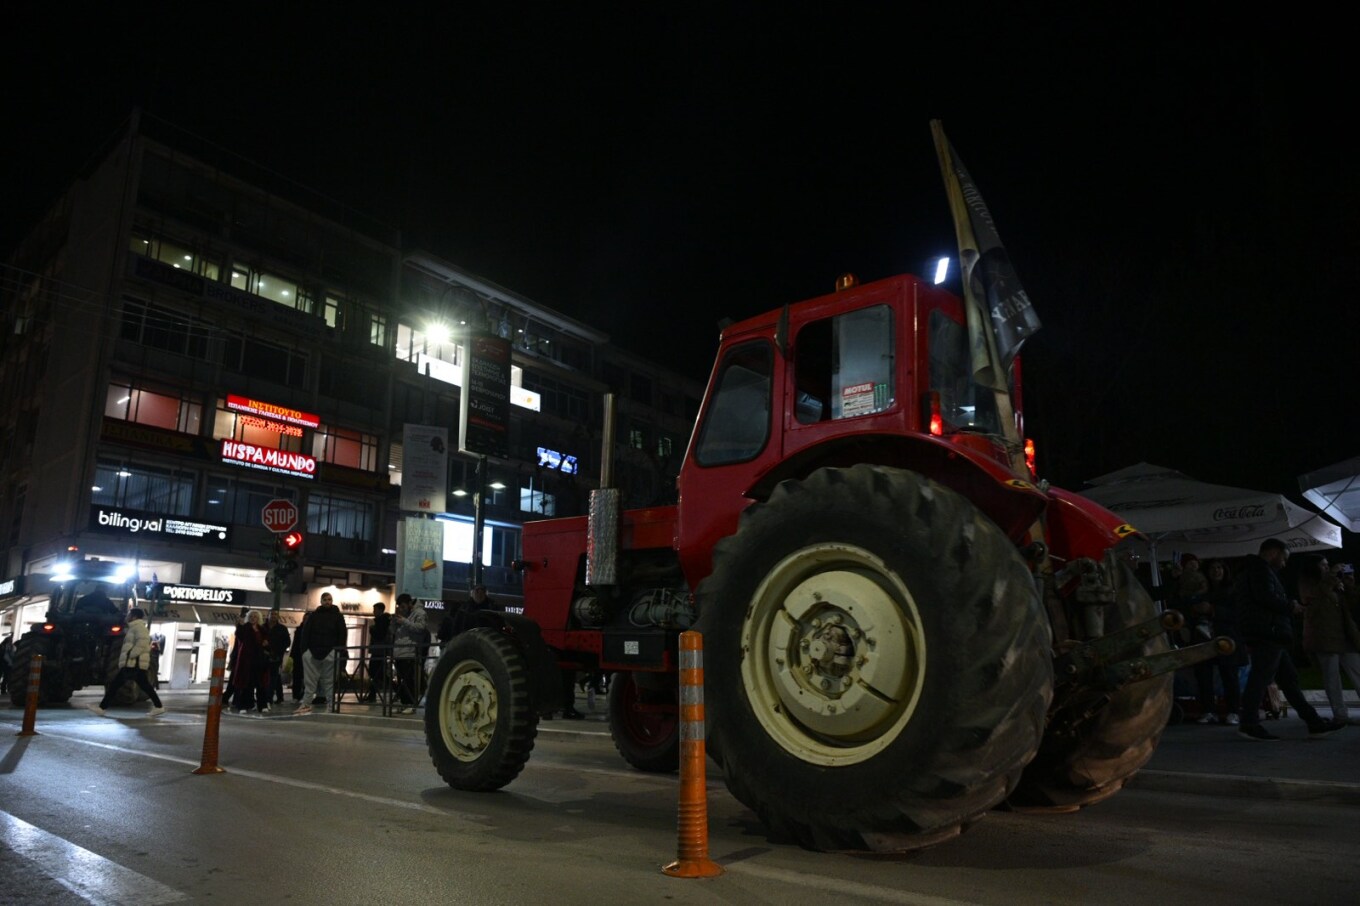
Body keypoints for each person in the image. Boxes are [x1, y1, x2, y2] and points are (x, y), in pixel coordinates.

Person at [1235, 538, 1345, 741]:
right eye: (1284, 558)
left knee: (1288, 680)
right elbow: (1265, 597)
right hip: (1268, 633)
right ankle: (1249, 724)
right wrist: (1290, 606)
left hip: (1270, 634)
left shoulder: (1255, 570)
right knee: (1260, 680)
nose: (1284, 563)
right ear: (1274, 552)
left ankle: (1313, 722)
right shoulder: (1260, 571)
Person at [1300, 556, 1360, 726]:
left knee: (1357, 670)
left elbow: (1350, 603)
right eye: (1323, 565)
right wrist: (1332, 576)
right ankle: (1340, 715)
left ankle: (1341, 715)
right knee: (1332, 677)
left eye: (1328, 565)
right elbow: (1315, 597)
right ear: (1314, 567)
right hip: (1324, 637)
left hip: (1344, 636)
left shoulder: (1332, 582)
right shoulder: (1309, 583)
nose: (1327, 567)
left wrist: (1349, 585)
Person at [1193, 559, 1245, 724]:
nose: (1216, 571)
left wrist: (1214, 610)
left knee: (1229, 674)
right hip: (1204, 636)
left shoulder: (1233, 590)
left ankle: (1233, 711)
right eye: (1213, 568)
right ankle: (1208, 710)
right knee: (1204, 675)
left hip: (1226, 637)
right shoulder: (1201, 590)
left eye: (1219, 568)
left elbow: (1238, 614)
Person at [87, 607, 165, 717]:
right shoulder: (134, 628)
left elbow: (142, 644)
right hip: (133, 664)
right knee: (141, 686)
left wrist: (130, 655)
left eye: (129, 614)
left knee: (116, 685)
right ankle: (159, 707)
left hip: (133, 664)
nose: (126, 616)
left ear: (134, 616)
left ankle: (102, 708)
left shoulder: (139, 628)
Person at [295, 592, 347, 716]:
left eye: (329, 599)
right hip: (314, 652)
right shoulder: (315, 616)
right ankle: (307, 704)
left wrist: (338, 650)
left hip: (328, 651)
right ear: (321, 601)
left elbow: (342, 634)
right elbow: (306, 633)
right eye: (325, 599)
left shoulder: (337, 616)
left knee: (327, 681)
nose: (327, 602)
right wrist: (305, 651)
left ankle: (329, 705)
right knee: (311, 681)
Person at [391, 593, 428, 714]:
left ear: (409, 604)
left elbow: (421, 628)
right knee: (401, 681)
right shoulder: (402, 615)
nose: (401, 609)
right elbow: (392, 632)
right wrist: (394, 623)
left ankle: (411, 705)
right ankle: (404, 703)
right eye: (399, 607)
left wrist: (405, 621)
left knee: (409, 680)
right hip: (399, 652)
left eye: (403, 606)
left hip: (410, 652)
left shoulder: (419, 613)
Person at [230, 610, 272, 715]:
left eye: (255, 616)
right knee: (246, 684)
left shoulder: (262, 629)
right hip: (247, 661)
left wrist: (266, 644)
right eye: (251, 616)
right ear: (248, 618)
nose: (253, 618)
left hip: (260, 661)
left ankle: (262, 705)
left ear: (259, 618)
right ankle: (243, 705)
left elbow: (268, 643)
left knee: (260, 684)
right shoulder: (245, 628)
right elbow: (239, 635)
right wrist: (239, 625)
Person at [363, 601, 390, 702]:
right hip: (378, 650)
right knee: (376, 674)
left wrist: (372, 630)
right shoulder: (382, 621)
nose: (373, 612)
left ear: (379, 610)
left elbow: (379, 635)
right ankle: (372, 694)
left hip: (379, 651)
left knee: (375, 673)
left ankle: (373, 694)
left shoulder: (382, 621)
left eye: (375, 610)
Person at [266, 611, 291, 705]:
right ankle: (278, 696)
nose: (273, 616)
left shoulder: (282, 628)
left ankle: (269, 698)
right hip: (264, 656)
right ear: (268, 615)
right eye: (272, 614)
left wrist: (278, 650)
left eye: (275, 614)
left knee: (273, 676)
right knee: (274, 677)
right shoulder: (263, 627)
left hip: (276, 656)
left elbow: (287, 642)